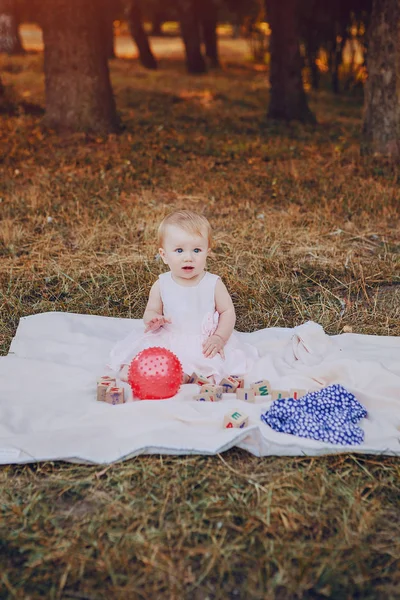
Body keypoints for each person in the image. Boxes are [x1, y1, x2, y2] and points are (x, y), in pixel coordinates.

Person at [109, 210, 258, 383]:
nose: (189, 258)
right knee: (147, 352)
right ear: (164, 256)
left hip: (202, 341)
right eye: (179, 250)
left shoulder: (213, 283)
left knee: (206, 361)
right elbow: (151, 310)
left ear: (207, 253)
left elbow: (227, 311)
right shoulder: (162, 284)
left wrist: (219, 337)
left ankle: (185, 376)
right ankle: (138, 369)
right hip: (169, 336)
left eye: (196, 250)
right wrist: (153, 319)